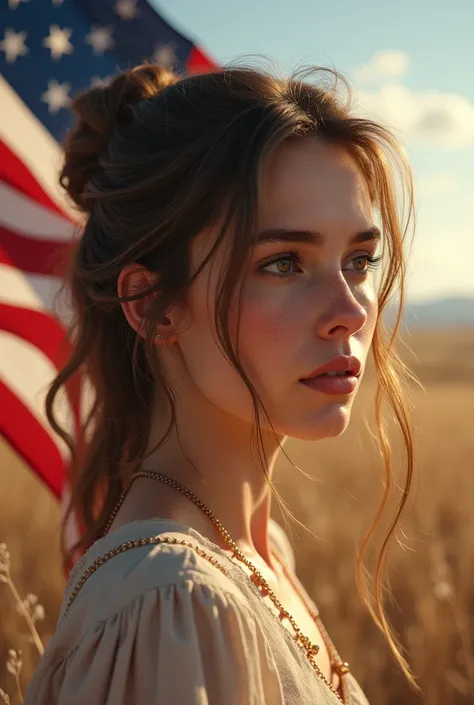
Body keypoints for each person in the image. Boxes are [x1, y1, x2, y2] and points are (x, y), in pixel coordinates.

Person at [24, 59, 418, 704]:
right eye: (284, 262)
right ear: (152, 304)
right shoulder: (172, 603)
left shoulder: (256, 557)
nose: (349, 309)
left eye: (359, 260)